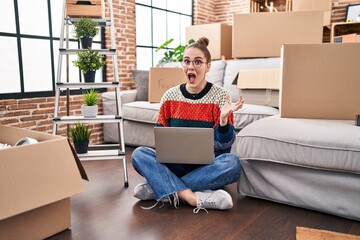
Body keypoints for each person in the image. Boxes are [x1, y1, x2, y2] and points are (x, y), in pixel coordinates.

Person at [131, 37, 244, 213]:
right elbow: (161, 139)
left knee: (232, 164)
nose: (191, 67)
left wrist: (223, 122)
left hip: (208, 166)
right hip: (175, 164)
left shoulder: (221, 96)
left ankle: (160, 188)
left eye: (198, 62)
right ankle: (191, 197)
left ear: (208, 66)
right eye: (186, 61)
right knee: (139, 154)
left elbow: (226, 145)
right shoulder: (169, 96)